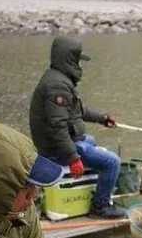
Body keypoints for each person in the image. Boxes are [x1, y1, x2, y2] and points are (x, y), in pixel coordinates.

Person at [29, 36, 126, 219]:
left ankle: (97, 187)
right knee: (112, 162)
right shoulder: (58, 86)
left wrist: (103, 119)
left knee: (91, 140)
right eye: (77, 60)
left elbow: (78, 111)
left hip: (62, 142)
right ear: (68, 59)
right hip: (54, 149)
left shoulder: (58, 79)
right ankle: (101, 207)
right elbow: (57, 127)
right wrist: (73, 158)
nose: (79, 65)